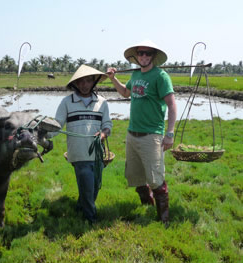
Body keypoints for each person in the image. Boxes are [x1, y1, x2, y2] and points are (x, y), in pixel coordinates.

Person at [107, 40, 177, 225]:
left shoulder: (161, 76)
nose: (144, 56)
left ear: (153, 56)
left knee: (156, 178)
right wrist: (113, 78)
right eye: (140, 53)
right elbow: (125, 93)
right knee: (136, 176)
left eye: (147, 53)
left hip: (151, 135)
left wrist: (169, 133)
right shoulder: (136, 75)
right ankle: (146, 204)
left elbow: (171, 105)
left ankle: (164, 219)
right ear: (136, 56)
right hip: (132, 134)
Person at [55, 65, 112, 224]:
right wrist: (43, 133)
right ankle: (91, 219)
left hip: (97, 153)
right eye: (81, 81)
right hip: (79, 153)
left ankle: (80, 207)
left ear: (94, 83)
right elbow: (57, 124)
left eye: (88, 81)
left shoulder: (102, 103)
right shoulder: (67, 102)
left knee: (95, 187)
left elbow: (107, 125)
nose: (85, 84)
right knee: (87, 186)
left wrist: (103, 134)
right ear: (75, 84)